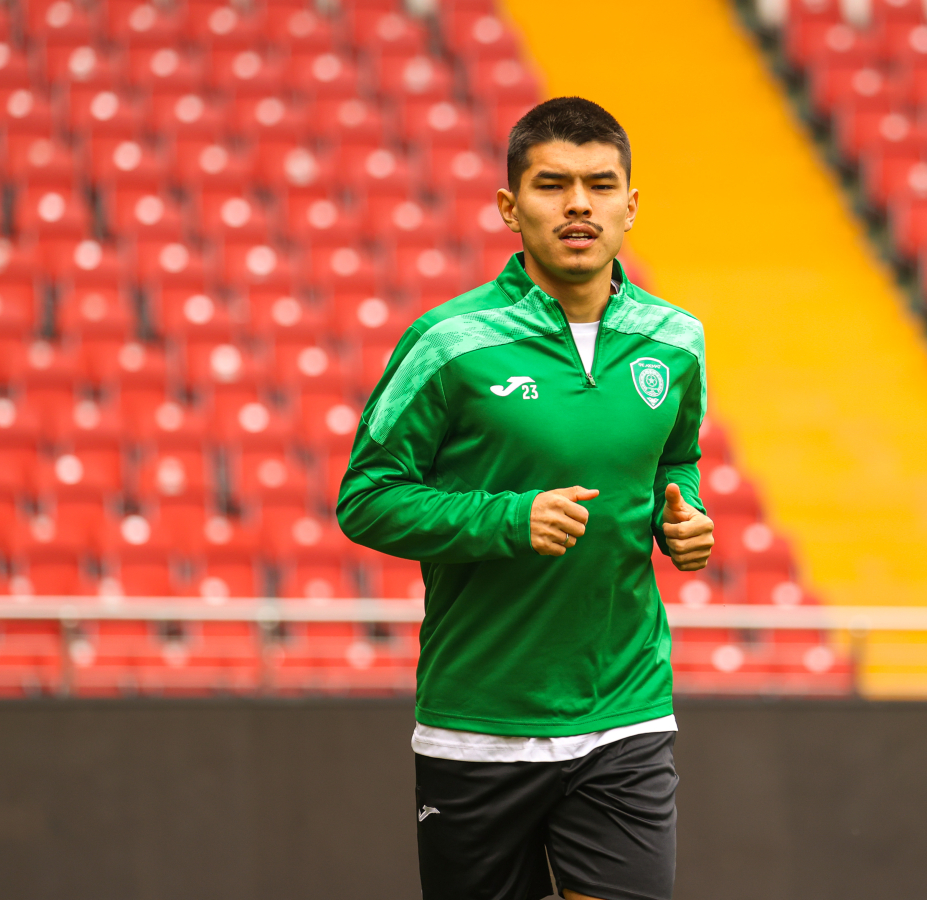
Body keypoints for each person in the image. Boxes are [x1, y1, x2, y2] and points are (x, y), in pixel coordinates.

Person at [336, 96, 715, 900]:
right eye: (553, 184)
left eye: (600, 185)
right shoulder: (449, 341)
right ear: (510, 207)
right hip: (479, 724)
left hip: (626, 711)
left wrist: (679, 515)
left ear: (630, 205)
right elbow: (366, 498)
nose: (579, 204)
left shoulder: (678, 339)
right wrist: (510, 517)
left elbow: (676, 459)